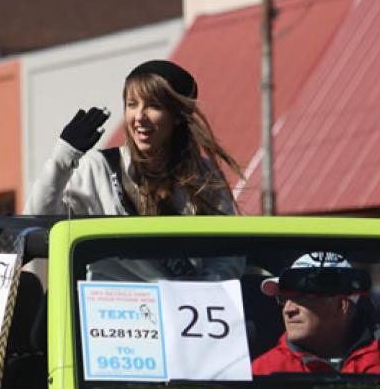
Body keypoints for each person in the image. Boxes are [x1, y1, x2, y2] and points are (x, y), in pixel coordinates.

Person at [24, 60, 245, 280]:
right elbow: (36, 220)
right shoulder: (97, 167)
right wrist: (63, 157)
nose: (139, 116)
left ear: (178, 115)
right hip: (109, 307)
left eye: (153, 106)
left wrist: (203, 288)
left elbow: (229, 253)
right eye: (132, 104)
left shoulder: (202, 175)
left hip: (182, 309)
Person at [251, 252, 380, 375]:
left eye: (302, 299)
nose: (288, 309)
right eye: (284, 299)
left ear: (342, 306)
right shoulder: (265, 369)